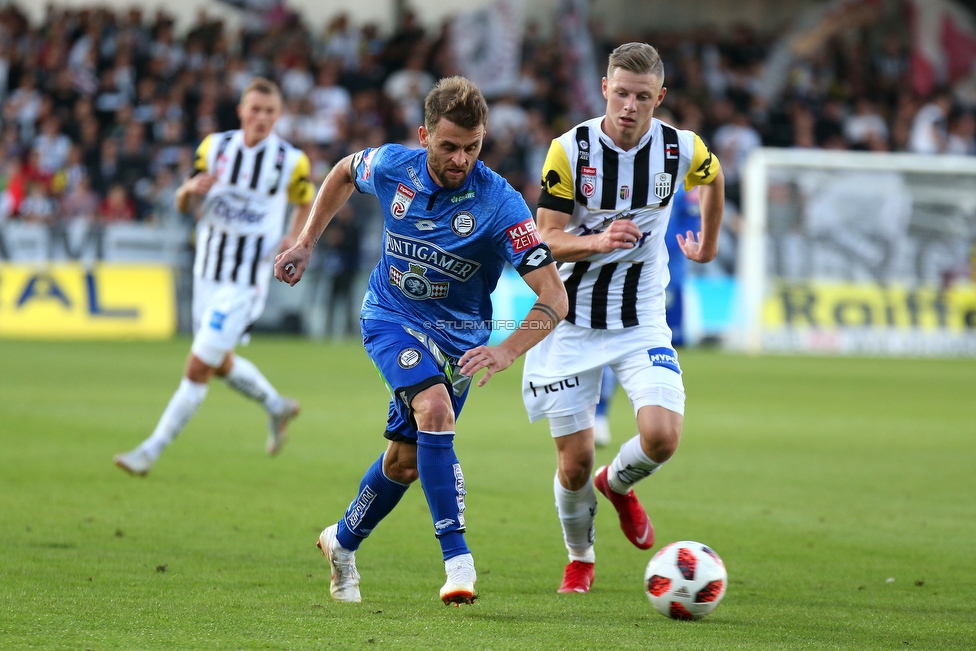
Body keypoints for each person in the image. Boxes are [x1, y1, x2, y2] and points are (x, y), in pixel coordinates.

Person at [274, 76, 567, 606]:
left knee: (404, 463)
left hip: (460, 341)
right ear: (424, 134)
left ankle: (340, 542)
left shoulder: (501, 204)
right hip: (389, 315)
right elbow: (343, 171)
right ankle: (458, 561)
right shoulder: (392, 166)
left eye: (472, 147)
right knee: (435, 410)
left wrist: (505, 350)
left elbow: (553, 297)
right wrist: (305, 242)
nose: (460, 160)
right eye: (449, 146)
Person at [521, 42, 725, 594]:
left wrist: (706, 243)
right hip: (571, 321)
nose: (629, 105)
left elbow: (713, 177)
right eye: (620, 93)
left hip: (640, 320)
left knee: (660, 438)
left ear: (659, 98)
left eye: (642, 96)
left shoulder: (681, 149)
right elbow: (544, 240)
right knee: (574, 466)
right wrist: (597, 240)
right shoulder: (570, 150)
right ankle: (580, 557)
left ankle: (620, 484)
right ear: (605, 89)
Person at [114, 78, 314, 476]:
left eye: (269, 111)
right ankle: (277, 407)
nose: (261, 117)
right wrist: (189, 189)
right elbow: (185, 203)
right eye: (254, 109)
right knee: (219, 361)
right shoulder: (215, 148)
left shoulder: (291, 161)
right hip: (206, 274)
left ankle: (149, 451)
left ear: (278, 116)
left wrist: (296, 235)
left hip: (245, 283)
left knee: (196, 367)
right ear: (241, 110)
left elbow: (306, 199)